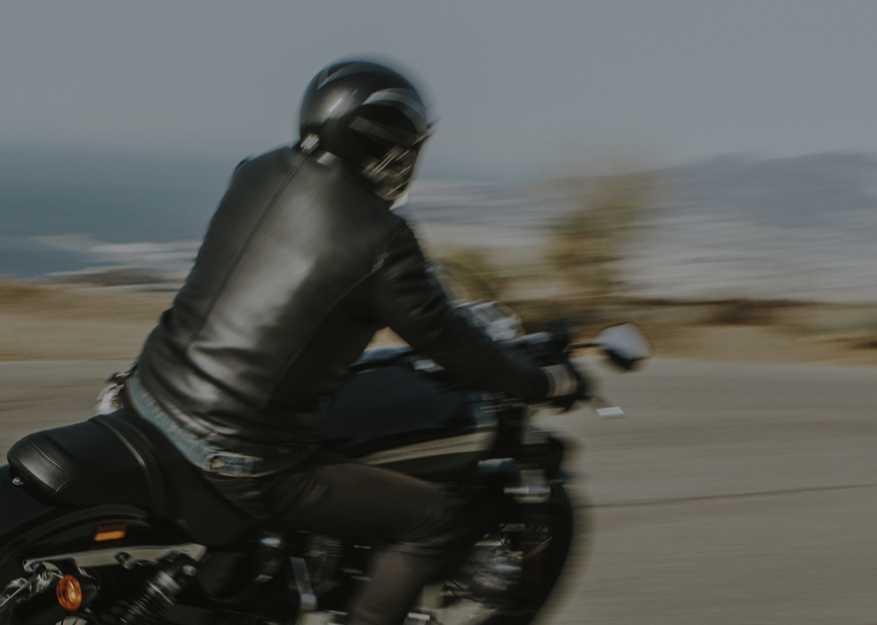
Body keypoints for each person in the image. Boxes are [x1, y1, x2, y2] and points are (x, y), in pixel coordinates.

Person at [120, 60, 582, 625]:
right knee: (433, 521)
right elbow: (454, 346)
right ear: (387, 146)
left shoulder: (257, 171)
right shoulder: (381, 240)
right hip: (237, 454)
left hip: (149, 395)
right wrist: (544, 379)